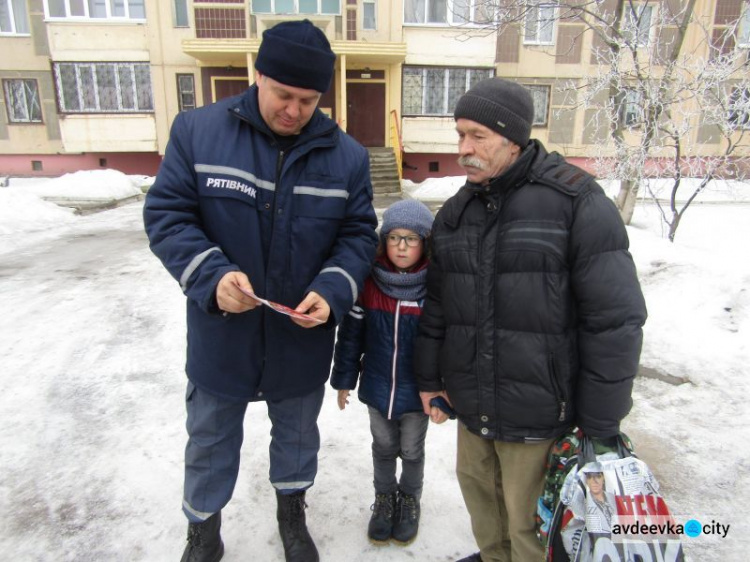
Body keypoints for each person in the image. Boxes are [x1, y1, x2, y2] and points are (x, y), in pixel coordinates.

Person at [143, 19, 378, 562]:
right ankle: (203, 528)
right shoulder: (198, 132)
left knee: (297, 437)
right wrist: (210, 275)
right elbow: (168, 215)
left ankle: (291, 512)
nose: (294, 110)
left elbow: (357, 235)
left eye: (308, 99)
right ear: (258, 75)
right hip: (221, 332)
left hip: (300, 336)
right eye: (282, 95)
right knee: (208, 439)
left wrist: (334, 289)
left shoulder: (347, 158)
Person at [414, 77, 647, 562]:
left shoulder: (575, 203)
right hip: (472, 409)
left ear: (512, 137)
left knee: (532, 534)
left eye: (477, 135)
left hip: (540, 417)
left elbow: (614, 320)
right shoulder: (456, 214)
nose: (464, 149)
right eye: (460, 135)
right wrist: (430, 378)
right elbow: (438, 306)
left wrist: (601, 423)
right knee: (487, 521)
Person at [330, 199, 440, 547]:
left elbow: (445, 344)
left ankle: (408, 500)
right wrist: (345, 379)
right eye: (394, 238)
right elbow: (351, 336)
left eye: (412, 238)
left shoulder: (434, 290)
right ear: (383, 241)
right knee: (382, 446)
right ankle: (384, 499)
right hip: (378, 388)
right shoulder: (370, 284)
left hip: (416, 394)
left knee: (411, 450)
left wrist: (443, 389)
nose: (403, 246)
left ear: (425, 243)